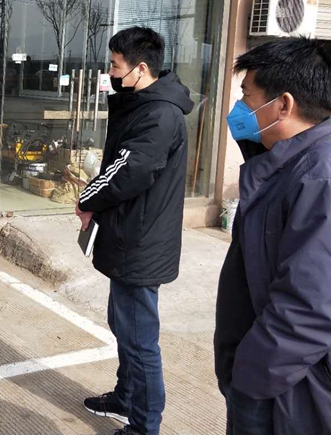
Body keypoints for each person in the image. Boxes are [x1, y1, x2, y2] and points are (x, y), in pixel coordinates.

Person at [76, 27, 194, 435]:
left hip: (141, 243)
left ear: (140, 69)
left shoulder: (159, 114)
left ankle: (144, 425)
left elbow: (129, 172)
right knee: (124, 327)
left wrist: (87, 199)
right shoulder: (144, 105)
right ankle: (125, 397)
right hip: (131, 235)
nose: (110, 73)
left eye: (115, 65)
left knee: (141, 340)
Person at [214, 38, 331, 435]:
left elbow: (308, 306)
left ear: (283, 105)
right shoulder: (286, 163)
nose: (239, 108)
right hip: (267, 376)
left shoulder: (319, 178)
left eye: (247, 96)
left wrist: (250, 378)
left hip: (283, 390)